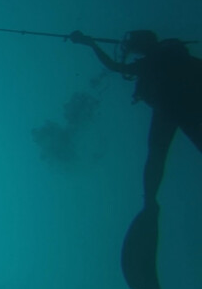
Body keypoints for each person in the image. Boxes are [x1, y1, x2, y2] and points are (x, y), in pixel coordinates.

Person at [69, 30, 202, 209]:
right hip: (187, 106)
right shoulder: (175, 58)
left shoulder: (151, 62)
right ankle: (149, 200)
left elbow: (115, 67)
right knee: (161, 153)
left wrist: (91, 44)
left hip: (168, 110)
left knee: (156, 156)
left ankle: (149, 200)